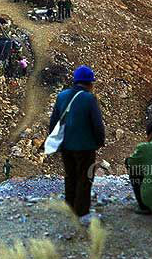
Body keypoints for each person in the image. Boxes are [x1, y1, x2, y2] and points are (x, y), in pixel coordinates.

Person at [47, 65, 105, 225]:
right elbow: (97, 125)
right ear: (89, 83)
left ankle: (69, 208)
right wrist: (99, 141)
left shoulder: (62, 96)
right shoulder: (89, 98)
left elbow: (54, 122)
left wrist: (56, 142)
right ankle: (81, 213)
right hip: (86, 147)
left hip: (66, 145)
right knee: (85, 178)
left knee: (70, 176)